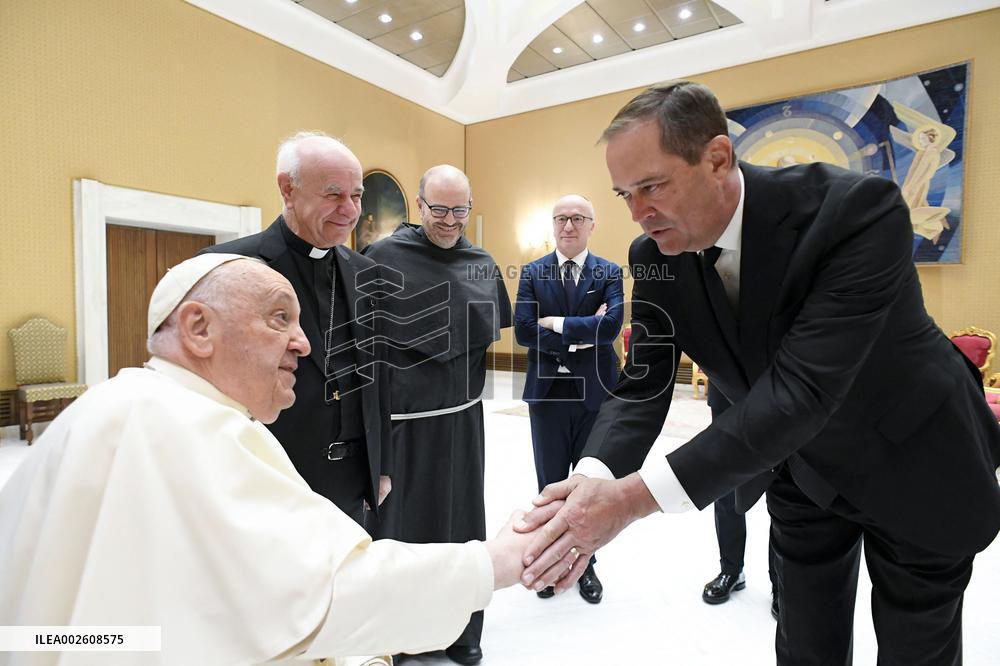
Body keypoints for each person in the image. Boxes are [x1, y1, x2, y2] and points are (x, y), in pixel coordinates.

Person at [516, 81, 1000, 665]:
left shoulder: (855, 212)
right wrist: (594, 476)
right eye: (624, 193)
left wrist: (633, 501)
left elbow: (800, 390)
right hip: (803, 473)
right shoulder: (655, 258)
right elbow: (644, 379)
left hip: (915, 461)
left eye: (652, 186)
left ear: (717, 158)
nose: (638, 213)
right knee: (802, 642)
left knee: (915, 649)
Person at [0, 254, 533, 666]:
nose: (303, 343)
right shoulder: (195, 426)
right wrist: (493, 564)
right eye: (279, 317)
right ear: (198, 328)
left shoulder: (120, 402)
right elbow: (318, 597)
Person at [203, 132, 391, 534]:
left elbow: (379, 376)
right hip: (271, 477)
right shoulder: (228, 267)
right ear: (288, 189)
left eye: (357, 196)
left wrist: (382, 465)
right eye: (334, 194)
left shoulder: (366, 273)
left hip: (352, 481)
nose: (350, 209)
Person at [363, 165, 511, 666]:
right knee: (405, 532)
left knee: (464, 524)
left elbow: (482, 350)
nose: (450, 221)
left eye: (461, 210)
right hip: (404, 428)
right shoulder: (380, 260)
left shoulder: (482, 262)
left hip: (463, 423)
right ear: (420, 206)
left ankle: (464, 629)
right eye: (440, 209)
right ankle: (405, 634)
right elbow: (368, 357)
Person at [513, 194, 623, 604]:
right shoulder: (533, 272)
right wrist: (579, 338)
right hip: (548, 395)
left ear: (592, 225)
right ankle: (550, 563)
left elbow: (611, 328)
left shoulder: (610, 272)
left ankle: (586, 566)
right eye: (560, 218)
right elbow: (523, 329)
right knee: (550, 484)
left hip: (594, 393)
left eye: (577, 218)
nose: (568, 226)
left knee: (589, 485)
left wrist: (557, 324)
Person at [701, 385, 777, 618]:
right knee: (725, 484)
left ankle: (781, 580)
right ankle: (732, 570)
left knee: (780, 486)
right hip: (724, 388)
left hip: (774, 388)